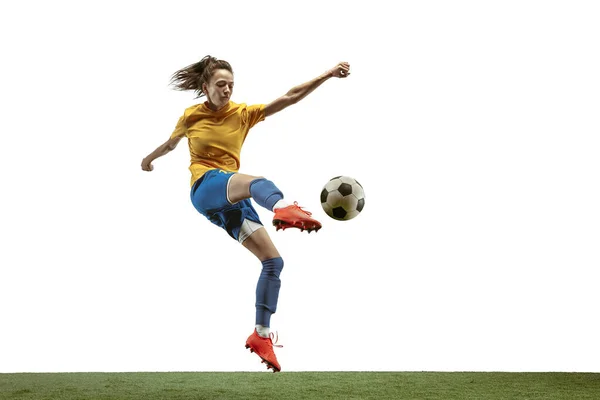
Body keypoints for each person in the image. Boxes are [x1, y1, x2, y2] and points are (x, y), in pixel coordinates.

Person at [141, 55, 350, 372]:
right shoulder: (191, 116)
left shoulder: (242, 114)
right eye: (220, 85)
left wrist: (327, 74)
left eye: (231, 85)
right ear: (205, 87)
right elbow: (171, 144)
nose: (226, 90)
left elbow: (289, 98)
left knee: (273, 261)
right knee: (258, 183)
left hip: (231, 202)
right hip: (205, 187)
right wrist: (149, 158)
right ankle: (282, 208)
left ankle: (261, 334)